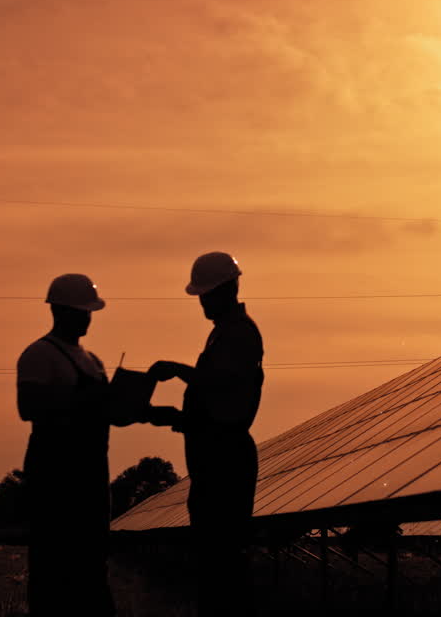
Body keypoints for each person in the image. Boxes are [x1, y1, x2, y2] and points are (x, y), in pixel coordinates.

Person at [17, 273, 175, 617]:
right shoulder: (39, 355)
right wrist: (89, 401)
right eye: (84, 310)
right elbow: (28, 407)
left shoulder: (93, 361)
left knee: (91, 562)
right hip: (55, 476)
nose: (89, 317)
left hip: (90, 474)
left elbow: (111, 414)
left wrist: (145, 411)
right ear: (62, 311)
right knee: (52, 564)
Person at [149, 252, 265, 617]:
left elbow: (222, 385)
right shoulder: (224, 333)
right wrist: (180, 418)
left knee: (222, 563)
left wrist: (177, 370)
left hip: (225, 460)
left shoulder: (239, 334)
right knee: (215, 562)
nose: (201, 303)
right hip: (215, 457)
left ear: (226, 290)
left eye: (205, 295)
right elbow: (217, 402)